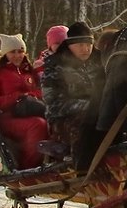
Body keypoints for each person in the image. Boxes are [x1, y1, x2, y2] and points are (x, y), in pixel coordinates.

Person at [40, 21, 105, 171]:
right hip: (64, 120)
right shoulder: (55, 66)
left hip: (100, 113)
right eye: (80, 44)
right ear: (69, 45)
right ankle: (82, 167)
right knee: (86, 123)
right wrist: (91, 106)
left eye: (89, 44)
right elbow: (54, 103)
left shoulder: (100, 61)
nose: (86, 49)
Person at [0, 33, 49, 169]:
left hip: (30, 112)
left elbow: (40, 92)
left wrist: (28, 95)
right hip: (4, 118)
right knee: (37, 125)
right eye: (13, 52)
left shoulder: (28, 71)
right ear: (5, 53)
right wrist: (17, 98)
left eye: (20, 51)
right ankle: (29, 168)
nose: (17, 55)